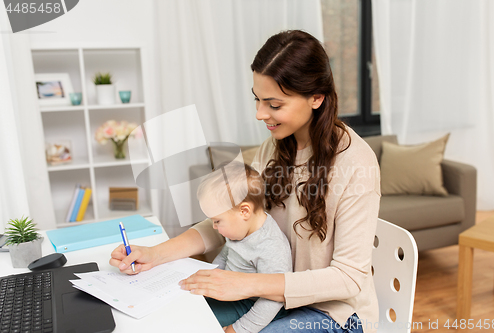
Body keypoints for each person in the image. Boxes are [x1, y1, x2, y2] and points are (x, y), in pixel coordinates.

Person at [110, 30, 380, 333]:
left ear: (316, 98)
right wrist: (154, 254)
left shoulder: (356, 163)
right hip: (268, 294)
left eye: (274, 105)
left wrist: (245, 284)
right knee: (182, 317)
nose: (259, 114)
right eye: (258, 100)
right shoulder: (273, 149)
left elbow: (349, 277)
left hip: (332, 313)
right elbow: (228, 216)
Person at [197, 161, 292, 332]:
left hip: (256, 306)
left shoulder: (271, 247)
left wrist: (238, 329)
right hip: (232, 294)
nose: (214, 227)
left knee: (201, 321)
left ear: (244, 211)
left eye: (217, 221)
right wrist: (209, 279)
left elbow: (274, 300)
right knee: (193, 306)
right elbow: (227, 255)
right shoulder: (240, 230)